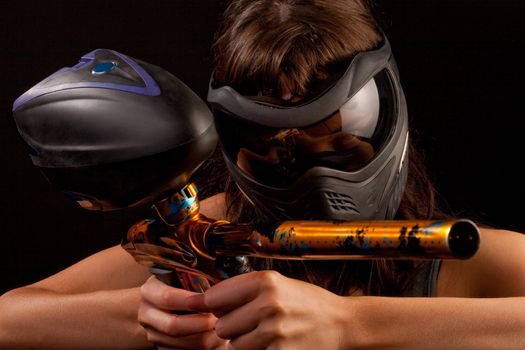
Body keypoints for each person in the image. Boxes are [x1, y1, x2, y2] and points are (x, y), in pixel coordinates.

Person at [1, 0, 525, 349]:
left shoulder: (464, 263)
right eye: (275, 149)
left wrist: (350, 326)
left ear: (388, 112)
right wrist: (148, 316)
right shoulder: (204, 236)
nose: (317, 177)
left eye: (340, 140)